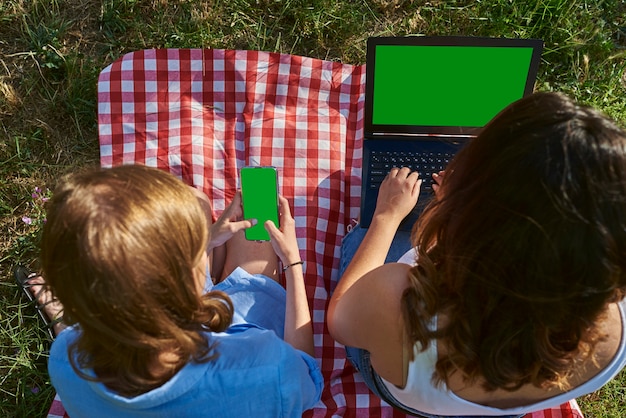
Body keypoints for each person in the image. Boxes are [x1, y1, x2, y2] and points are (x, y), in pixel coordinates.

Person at [327, 91, 626, 417]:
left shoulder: (395, 300)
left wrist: (388, 217)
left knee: (364, 237)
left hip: (410, 394)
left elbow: (339, 322)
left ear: (475, 226)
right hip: (496, 404)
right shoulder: (614, 322)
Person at [31, 164, 322, 417]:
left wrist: (206, 243)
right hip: (238, 332)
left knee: (194, 201)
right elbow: (307, 376)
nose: (202, 247)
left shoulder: (65, 358)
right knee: (253, 243)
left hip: (170, 332)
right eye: (194, 251)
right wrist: (292, 263)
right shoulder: (264, 368)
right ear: (189, 290)